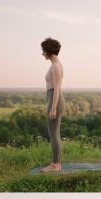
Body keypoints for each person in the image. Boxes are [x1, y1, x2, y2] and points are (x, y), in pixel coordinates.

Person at [40, 37, 65, 173]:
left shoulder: (55, 66)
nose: (42, 53)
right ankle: (56, 163)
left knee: (53, 134)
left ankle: (55, 165)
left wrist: (53, 107)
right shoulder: (56, 64)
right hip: (52, 99)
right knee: (55, 133)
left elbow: (56, 89)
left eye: (43, 50)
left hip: (54, 100)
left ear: (49, 51)